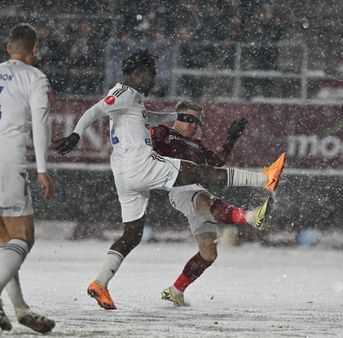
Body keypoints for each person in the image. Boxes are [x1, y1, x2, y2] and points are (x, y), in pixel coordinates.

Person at [55, 49, 286, 310]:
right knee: (196, 173)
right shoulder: (122, 93)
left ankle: (100, 283)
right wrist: (76, 134)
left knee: (132, 234)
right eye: (152, 74)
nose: (155, 79)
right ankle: (264, 179)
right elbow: (95, 110)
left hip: (125, 175)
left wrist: (177, 116)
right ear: (139, 72)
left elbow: (147, 118)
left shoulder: (134, 100)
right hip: (141, 165)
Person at [149, 100, 271, 306]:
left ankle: (176, 290)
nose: (193, 125)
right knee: (205, 200)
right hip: (179, 190)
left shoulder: (196, 145)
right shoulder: (162, 133)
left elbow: (217, 161)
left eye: (196, 121)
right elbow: (140, 140)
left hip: (197, 190)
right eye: (188, 119)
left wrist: (231, 139)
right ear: (176, 117)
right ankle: (252, 216)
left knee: (209, 253)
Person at [0, 23, 56, 334]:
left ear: (9, 48)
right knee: (24, 238)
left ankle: (19, 308)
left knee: (5, 241)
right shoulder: (35, 77)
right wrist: (42, 169)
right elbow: (40, 125)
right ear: (34, 50)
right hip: (7, 161)